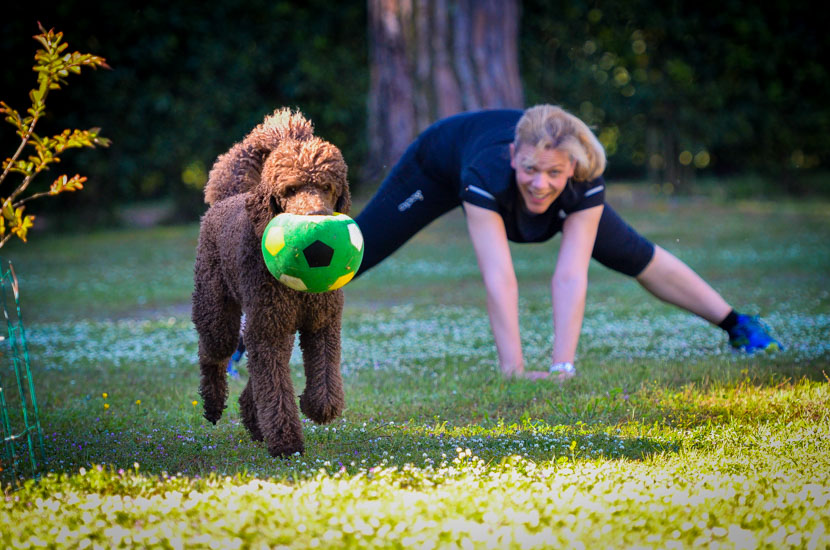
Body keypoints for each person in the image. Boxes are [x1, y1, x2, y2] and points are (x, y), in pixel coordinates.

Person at [349, 105, 782, 380]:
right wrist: (514, 370)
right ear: (514, 155)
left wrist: (562, 366)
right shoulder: (487, 172)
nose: (540, 184)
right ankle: (300, 263)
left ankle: (738, 325)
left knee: (632, 253)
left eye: (554, 172)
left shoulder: (584, 179)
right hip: (437, 167)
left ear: (572, 167)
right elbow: (500, 277)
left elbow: (571, 275)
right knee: (357, 251)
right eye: (530, 169)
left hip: (534, 179)